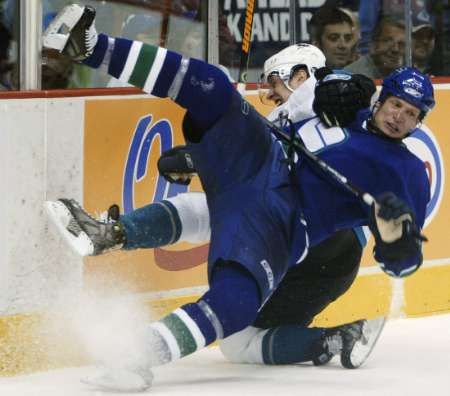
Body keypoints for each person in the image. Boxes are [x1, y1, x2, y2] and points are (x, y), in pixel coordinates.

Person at [43, 4, 433, 392]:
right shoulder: (350, 103)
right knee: (211, 86)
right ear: (383, 99)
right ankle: (91, 46)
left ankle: (135, 355)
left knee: (237, 304)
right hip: (263, 165)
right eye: (396, 104)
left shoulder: (408, 173)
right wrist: (333, 86)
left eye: (411, 113)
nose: (399, 116)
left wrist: (396, 240)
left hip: (285, 224)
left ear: (419, 122)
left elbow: (403, 266)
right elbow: (306, 94)